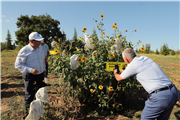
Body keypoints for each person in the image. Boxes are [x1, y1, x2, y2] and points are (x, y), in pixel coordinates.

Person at [114, 48, 179, 120]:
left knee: (146, 118)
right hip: (173, 92)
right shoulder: (145, 58)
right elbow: (138, 69)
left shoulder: (132, 66)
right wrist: (125, 71)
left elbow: (118, 78)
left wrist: (115, 73)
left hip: (161, 97)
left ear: (126, 59)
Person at [15, 32, 47, 120]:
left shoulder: (40, 48)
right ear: (32, 41)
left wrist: (43, 70)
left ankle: (37, 114)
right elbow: (18, 65)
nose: (40, 42)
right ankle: (25, 117)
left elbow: (42, 60)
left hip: (40, 75)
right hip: (30, 76)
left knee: (40, 94)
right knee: (29, 96)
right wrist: (30, 70)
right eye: (38, 41)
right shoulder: (24, 50)